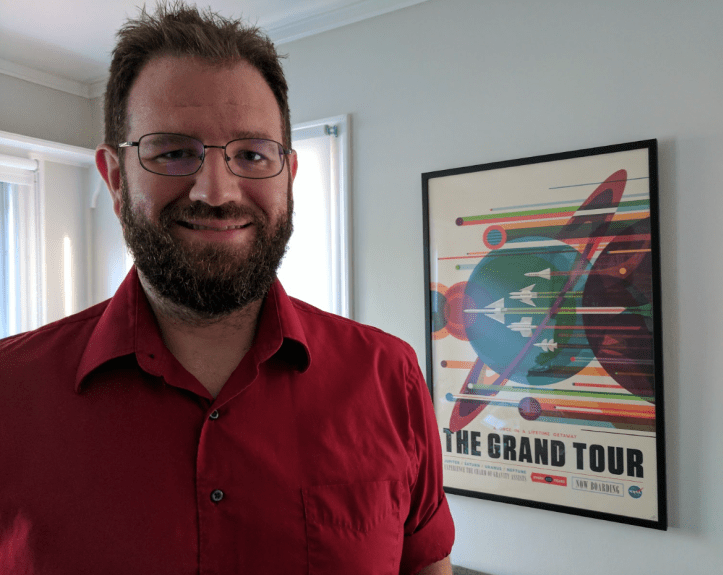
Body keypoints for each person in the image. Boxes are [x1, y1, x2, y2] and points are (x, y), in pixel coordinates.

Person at [0, 3, 454, 574]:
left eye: (251, 155)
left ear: (288, 177)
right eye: (172, 152)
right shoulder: (9, 394)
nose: (216, 191)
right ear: (116, 179)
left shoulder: (389, 377)